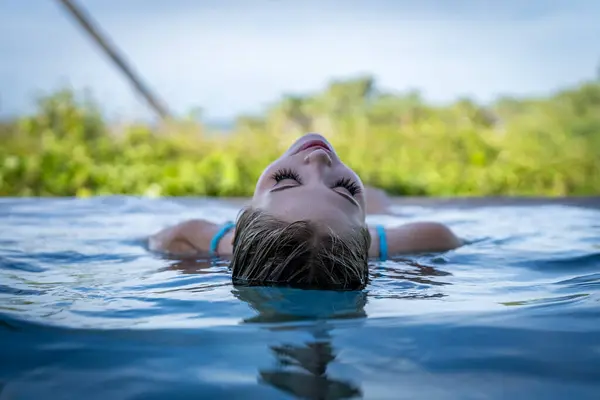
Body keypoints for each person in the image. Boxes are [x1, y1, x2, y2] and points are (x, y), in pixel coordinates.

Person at [149, 133, 462, 290]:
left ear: (242, 221)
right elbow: (442, 236)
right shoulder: (376, 244)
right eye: (345, 189)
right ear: (364, 236)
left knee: (375, 198)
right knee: (380, 200)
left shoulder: (218, 241)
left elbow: (170, 237)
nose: (319, 161)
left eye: (285, 181)